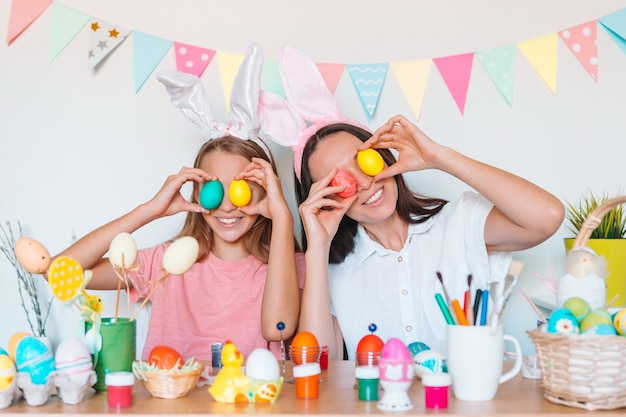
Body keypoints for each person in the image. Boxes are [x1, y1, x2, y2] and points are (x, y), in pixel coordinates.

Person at [258, 45, 564, 360]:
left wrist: (439, 157)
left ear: (382, 153)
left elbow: (548, 216)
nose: (365, 183)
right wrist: (318, 248)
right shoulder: (334, 273)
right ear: (325, 200)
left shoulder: (458, 222)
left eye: (365, 161)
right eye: (340, 182)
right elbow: (318, 363)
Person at [49, 43, 304, 362]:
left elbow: (277, 330)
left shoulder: (289, 267)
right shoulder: (166, 264)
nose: (226, 205)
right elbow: (58, 271)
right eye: (213, 188)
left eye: (242, 187)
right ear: (196, 193)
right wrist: (149, 211)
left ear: (268, 191)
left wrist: (283, 218)